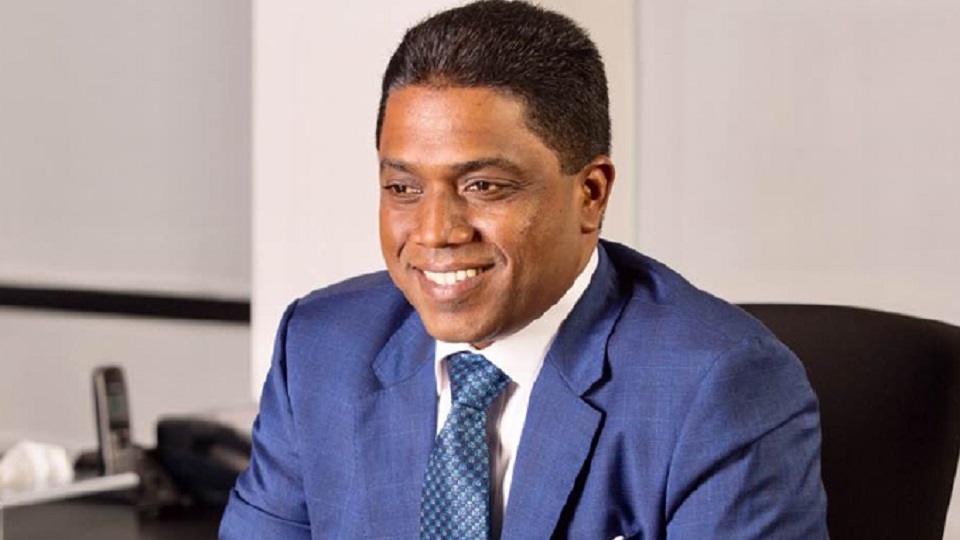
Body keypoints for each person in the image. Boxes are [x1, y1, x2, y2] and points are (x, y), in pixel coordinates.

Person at [220, 1, 828, 538]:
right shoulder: (320, 349)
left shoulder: (716, 386)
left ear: (590, 193)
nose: (434, 232)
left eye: (483, 186)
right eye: (403, 188)